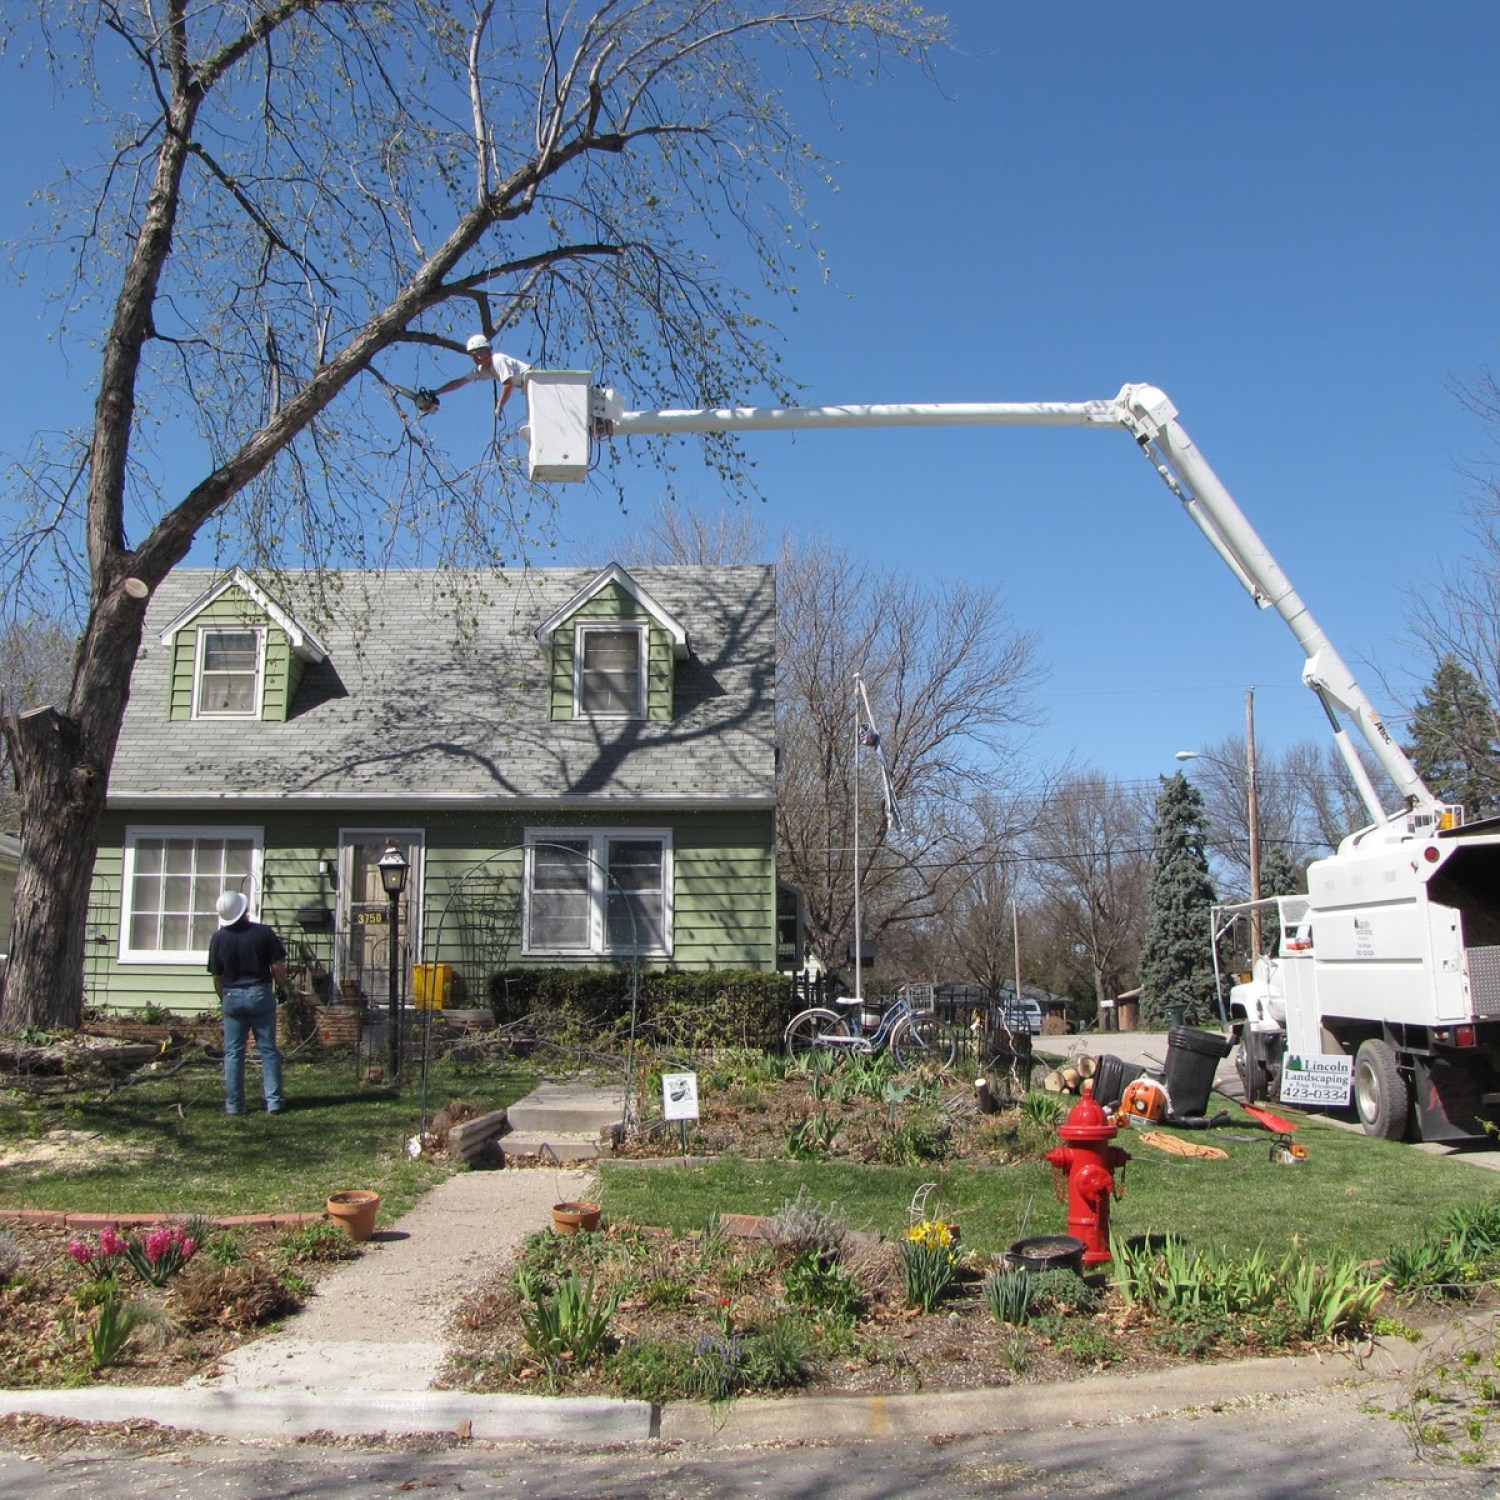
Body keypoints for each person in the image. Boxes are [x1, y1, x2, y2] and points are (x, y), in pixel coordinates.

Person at [207, 891, 288, 1116]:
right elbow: (277, 967)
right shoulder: (263, 932)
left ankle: (235, 1105)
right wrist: (282, 988)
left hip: (232, 995)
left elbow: (217, 976)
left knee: (233, 1052)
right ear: (244, 910)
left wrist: (225, 999)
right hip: (259, 993)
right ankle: (274, 1101)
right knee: (268, 1049)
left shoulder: (218, 938)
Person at [413, 333, 531, 417]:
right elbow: (460, 382)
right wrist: (437, 392)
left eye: (478, 353)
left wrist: (500, 405)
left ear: (486, 351)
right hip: (528, 386)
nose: (475, 358)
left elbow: (508, 384)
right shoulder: (482, 370)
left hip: (535, 379)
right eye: (473, 355)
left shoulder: (498, 359)